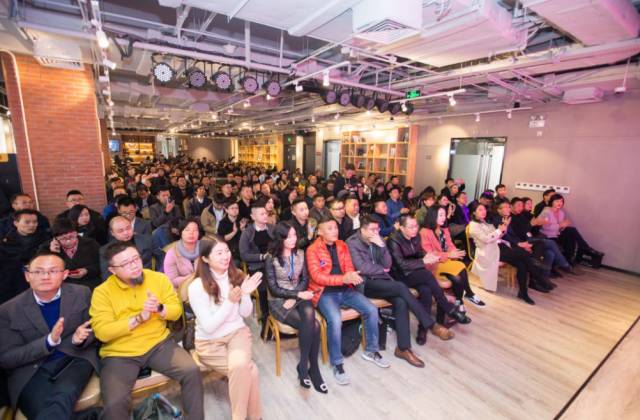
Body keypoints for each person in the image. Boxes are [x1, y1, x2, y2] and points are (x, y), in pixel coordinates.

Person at [90, 243, 204, 420]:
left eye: (136, 259)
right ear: (112, 270)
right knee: (114, 403)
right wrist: (138, 319)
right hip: (120, 353)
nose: (134, 265)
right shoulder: (102, 292)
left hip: (158, 344)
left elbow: (176, 312)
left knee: (191, 371)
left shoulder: (158, 278)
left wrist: (159, 308)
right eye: (126, 264)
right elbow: (102, 332)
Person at [0, 253, 99, 419]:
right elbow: (7, 358)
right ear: (27, 276)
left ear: (64, 274)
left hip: (75, 358)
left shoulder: (82, 293)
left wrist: (79, 339)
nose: (45, 276)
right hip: (31, 370)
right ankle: (96, 415)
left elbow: (96, 328)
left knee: (63, 395)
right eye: (38, 271)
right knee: (43, 410)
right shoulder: (7, 310)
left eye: (53, 271)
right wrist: (48, 342)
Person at [306, 216, 390, 386]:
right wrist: (343, 279)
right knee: (335, 319)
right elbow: (317, 277)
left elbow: (349, 266)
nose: (334, 231)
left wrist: (351, 275)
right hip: (324, 293)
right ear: (320, 232)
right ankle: (337, 363)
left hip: (345, 290)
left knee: (371, 310)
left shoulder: (342, 245)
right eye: (329, 228)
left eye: (335, 228)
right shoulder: (312, 249)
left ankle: (371, 350)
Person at [348, 216, 438, 367]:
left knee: (401, 301)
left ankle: (403, 348)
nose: (376, 232)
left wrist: (382, 247)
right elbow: (361, 268)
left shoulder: (378, 240)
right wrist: (381, 269)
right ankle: (428, 322)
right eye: (372, 229)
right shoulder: (352, 242)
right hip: (366, 283)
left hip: (383, 281)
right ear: (362, 229)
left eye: (377, 229)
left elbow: (388, 264)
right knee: (401, 287)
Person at [188, 237, 262, 420]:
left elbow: (245, 313)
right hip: (209, 342)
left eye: (227, 251)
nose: (225, 256)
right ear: (205, 258)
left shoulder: (236, 275)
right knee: (250, 370)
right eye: (219, 253)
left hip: (237, 334)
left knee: (241, 367)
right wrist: (230, 301)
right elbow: (209, 327)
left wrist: (245, 294)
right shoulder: (196, 286)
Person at [265, 222, 327, 392]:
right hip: (279, 301)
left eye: (294, 235)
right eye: (288, 236)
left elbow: (304, 280)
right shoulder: (271, 258)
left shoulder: (300, 253)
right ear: (280, 238)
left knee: (309, 316)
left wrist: (296, 295)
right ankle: (311, 368)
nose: (293, 239)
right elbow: (273, 289)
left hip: (299, 295)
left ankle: (306, 366)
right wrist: (295, 295)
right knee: (314, 325)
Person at [388, 215, 470, 341]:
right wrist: (423, 261)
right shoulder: (393, 240)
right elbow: (400, 264)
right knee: (427, 275)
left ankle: (422, 330)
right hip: (400, 275)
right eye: (411, 227)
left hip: (415, 272)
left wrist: (427, 256)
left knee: (425, 291)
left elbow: (418, 253)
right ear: (402, 228)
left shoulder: (416, 236)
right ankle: (447, 307)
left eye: (416, 226)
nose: (415, 229)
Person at [468, 202, 536, 305]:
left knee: (521, 263)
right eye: (480, 210)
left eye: (484, 209)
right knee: (523, 255)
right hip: (487, 252)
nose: (484, 211)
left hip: (497, 248)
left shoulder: (485, 222)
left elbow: (497, 236)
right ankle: (537, 272)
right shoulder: (473, 225)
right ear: (474, 212)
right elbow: (486, 239)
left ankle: (523, 292)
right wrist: (499, 230)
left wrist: (504, 226)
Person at [420, 206, 485, 309]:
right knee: (460, 267)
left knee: (457, 279)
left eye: (444, 215)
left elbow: (450, 244)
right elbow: (430, 254)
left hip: (446, 262)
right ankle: (468, 295)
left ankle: (460, 301)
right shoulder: (425, 232)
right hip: (434, 264)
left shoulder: (444, 229)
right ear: (433, 216)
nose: (444, 217)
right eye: (440, 215)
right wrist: (449, 255)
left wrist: (454, 251)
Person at [239, 199, 275, 332]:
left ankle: (281, 316)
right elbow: (244, 255)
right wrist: (261, 257)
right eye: (262, 214)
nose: (265, 216)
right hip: (257, 267)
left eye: (266, 213)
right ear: (253, 216)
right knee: (264, 287)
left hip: (274, 264)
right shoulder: (247, 232)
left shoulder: (272, 228)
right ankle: (266, 321)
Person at [0, 209, 50, 304]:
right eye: (27, 222)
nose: (31, 225)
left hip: (41, 281)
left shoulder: (46, 240)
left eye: (35, 222)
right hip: (13, 285)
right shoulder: (5, 243)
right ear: (16, 223)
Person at [539, 194, 603, 266]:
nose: (560, 203)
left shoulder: (561, 213)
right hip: (547, 236)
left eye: (561, 201)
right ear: (552, 202)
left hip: (557, 235)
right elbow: (544, 227)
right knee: (571, 231)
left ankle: (569, 260)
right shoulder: (546, 212)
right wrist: (560, 225)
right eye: (557, 201)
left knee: (571, 235)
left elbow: (559, 229)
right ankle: (585, 249)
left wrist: (564, 226)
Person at [40, 218, 102, 290]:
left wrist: (86, 270)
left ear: (76, 233)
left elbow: (101, 264)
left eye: (71, 237)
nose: (68, 241)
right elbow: (42, 270)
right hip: (62, 286)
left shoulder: (91, 244)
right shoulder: (46, 248)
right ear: (55, 238)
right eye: (63, 238)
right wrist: (53, 254)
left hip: (90, 284)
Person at [163, 218, 202, 289]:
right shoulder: (172, 253)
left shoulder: (206, 248)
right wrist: (193, 277)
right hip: (183, 290)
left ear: (199, 233)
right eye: (187, 230)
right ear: (181, 232)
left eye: (195, 230)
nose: (191, 233)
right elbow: (171, 280)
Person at [217, 200, 247, 266]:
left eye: (236, 208)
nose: (235, 210)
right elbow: (222, 239)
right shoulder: (223, 223)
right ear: (226, 210)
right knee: (235, 263)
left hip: (243, 247)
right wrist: (234, 232)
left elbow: (248, 237)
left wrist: (243, 229)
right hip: (230, 249)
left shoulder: (241, 220)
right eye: (232, 208)